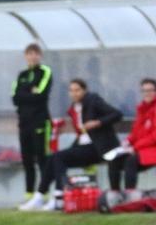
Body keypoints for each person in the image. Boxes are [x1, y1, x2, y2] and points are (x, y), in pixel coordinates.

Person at [33, 79, 122, 211]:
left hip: (99, 147)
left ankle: (60, 196)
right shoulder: (74, 109)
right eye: (71, 91)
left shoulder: (92, 100)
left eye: (77, 90)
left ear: (84, 91)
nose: (74, 94)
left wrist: (97, 122)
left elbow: (117, 114)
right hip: (84, 145)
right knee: (53, 158)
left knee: (59, 157)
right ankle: (40, 195)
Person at [13, 44, 54, 210]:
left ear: (40, 55)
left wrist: (27, 94)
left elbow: (41, 96)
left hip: (40, 121)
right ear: (25, 56)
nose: (32, 57)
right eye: (29, 54)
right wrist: (31, 92)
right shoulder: (22, 75)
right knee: (27, 158)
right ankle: (29, 193)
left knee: (42, 157)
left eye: (35, 54)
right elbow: (15, 97)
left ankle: (43, 194)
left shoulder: (45, 72)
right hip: (24, 122)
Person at [112, 78, 156, 191]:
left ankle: (129, 194)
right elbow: (135, 132)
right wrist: (127, 142)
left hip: (152, 149)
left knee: (130, 161)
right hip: (141, 148)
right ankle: (114, 194)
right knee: (114, 161)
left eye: (150, 90)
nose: (147, 94)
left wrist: (134, 147)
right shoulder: (141, 109)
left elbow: (153, 137)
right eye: (144, 91)